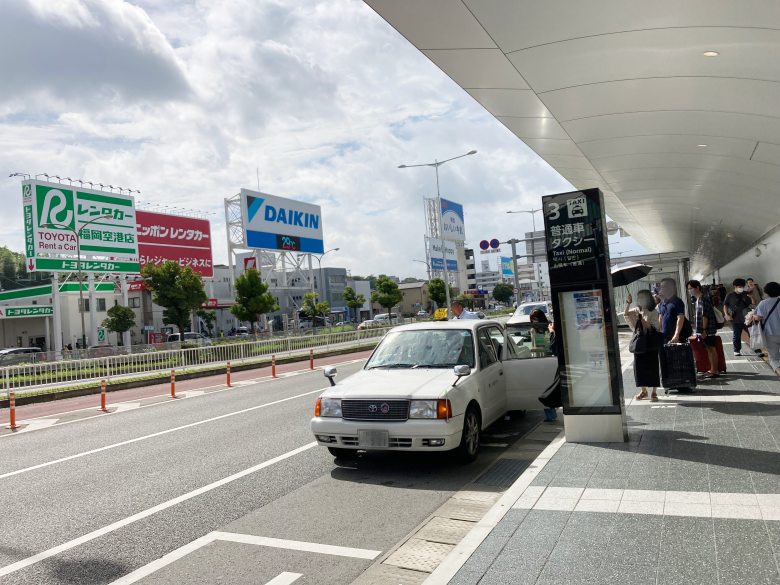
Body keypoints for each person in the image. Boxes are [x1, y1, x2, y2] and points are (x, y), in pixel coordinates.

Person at [624, 290, 662, 401]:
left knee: (653, 367)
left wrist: (642, 319)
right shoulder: (636, 310)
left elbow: (654, 328)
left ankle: (654, 392)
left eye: (642, 297)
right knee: (639, 368)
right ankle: (643, 390)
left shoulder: (653, 311)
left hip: (650, 342)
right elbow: (626, 315)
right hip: (639, 343)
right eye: (638, 298)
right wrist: (628, 303)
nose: (640, 300)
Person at [687, 279, 719, 379]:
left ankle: (714, 370)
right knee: (709, 349)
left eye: (691, 288)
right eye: (688, 289)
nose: (689, 291)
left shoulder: (702, 299)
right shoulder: (698, 299)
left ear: (697, 288)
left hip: (708, 330)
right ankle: (712, 369)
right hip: (705, 330)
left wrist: (704, 330)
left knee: (711, 349)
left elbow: (705, 316)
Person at [750, 281, 780, 375]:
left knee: (774, 359)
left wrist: (753, 316)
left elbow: (758, 317)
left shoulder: (763, 303)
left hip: (771, 334)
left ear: (766, 292)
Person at [723, 278, 752, 356]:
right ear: (735, 286)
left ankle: (756, 348)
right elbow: (725, 305)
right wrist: (726, 314)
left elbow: (752, 303)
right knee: (736, 335)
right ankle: (736, 350)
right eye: (739, 286)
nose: (741, 288)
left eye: (742, 286)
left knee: (752, 333)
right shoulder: (730, 295)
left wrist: (751, 297)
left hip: (747, 318)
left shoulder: (746, 293)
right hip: (735, 318)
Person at [656, 278, 687, 342]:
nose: (662, 289)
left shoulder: (677, 302)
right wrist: (658, 331)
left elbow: (680, 318)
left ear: (671, 287)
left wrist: (676, 335)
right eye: (661, 287)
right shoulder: (662, 303)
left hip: (676, 338)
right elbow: (660, 317)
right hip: (665, 336)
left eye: (664, 286)